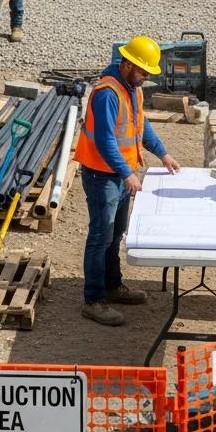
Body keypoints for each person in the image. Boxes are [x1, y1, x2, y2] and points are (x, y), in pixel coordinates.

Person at [74, 36, 181, 327]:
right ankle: (93, 300)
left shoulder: (131, 88)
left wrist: (163, 153)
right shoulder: (107, 93)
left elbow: (141, 124)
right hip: (101, 176)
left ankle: (113, 285)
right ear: (128, 64)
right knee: (100, 236)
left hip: (118, 176)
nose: (147, 78)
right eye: (144, 72)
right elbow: (107, 141)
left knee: (116, 233)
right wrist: (127, 173)